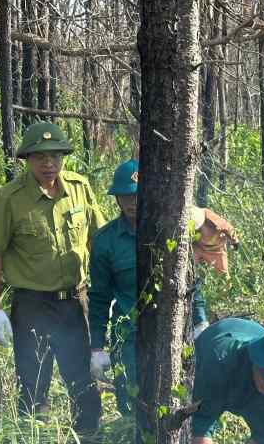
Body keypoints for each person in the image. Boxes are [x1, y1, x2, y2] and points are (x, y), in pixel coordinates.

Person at [0, 121, 107, 444]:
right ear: (27, 159)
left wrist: (108, 294)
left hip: (75, 302)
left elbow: (101, 240)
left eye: (55, 156)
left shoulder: (80, 190)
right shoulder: (9, 198)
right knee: (33, 383)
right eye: (40, 156)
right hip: (32, 304)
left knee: (82, 382)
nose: (48, 163)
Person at [87, 159, 216, 415]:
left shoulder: (171, 232)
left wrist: (200, 322)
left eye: (137, 194)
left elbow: (190, 281)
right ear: (116, 199)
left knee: (177, 401)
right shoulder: (105, 241)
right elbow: (99, 298)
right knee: (131, 404)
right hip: (129, 337)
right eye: (125, 196)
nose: (132, 202)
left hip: (173, 331)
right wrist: (97, 346)